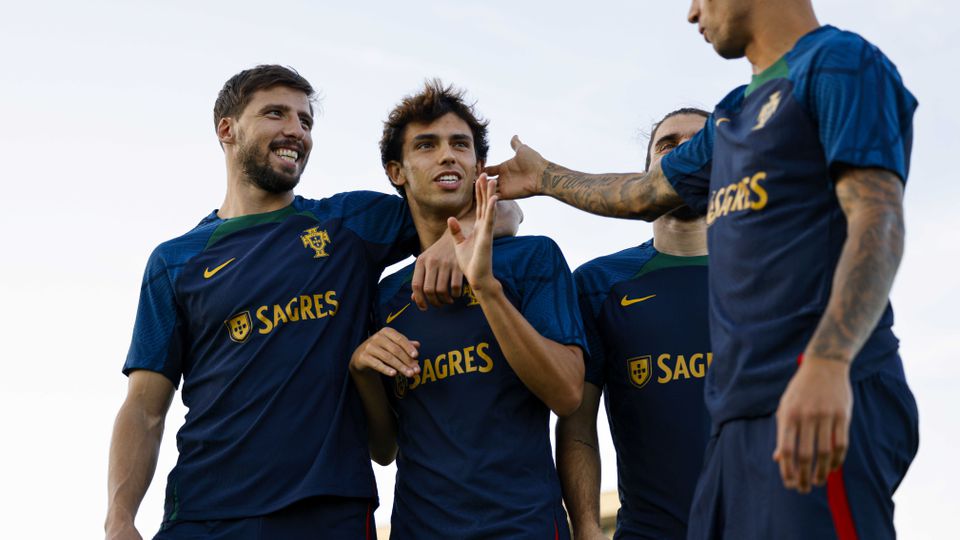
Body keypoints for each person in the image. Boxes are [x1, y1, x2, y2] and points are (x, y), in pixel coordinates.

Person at [487, 1, 919, 537]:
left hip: (816, 388)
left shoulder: (837, 63)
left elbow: (878, 221)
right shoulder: (733, 115)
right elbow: (643, 191)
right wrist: (545, 175)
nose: (693, 13)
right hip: (738, 425)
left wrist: (829, 363)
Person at [104, 65, 518, 540]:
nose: (295, 131)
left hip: (329, 509)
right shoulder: (175, 261)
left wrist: (454, 240)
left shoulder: (348, 224)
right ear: (227, 129)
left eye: (305, 121)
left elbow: (501, 204)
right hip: (205, 513)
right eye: (275, 114)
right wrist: (119, 519)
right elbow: (144, 407)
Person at [348, 80, 586, 539]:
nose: (447, 155)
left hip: (525, 526)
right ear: (396, 171)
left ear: (480, 165)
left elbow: (567, 393)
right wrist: (361, 369)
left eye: (460, 144)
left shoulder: (533, 258)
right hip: (420, 528)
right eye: (426, 145)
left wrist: (486, 289)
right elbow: (385, 448)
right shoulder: (385, 294)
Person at [556, 108, 711, 540]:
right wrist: (586, 527)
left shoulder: (774, 276)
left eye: (700, 142)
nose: (682, 153)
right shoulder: (598, 284)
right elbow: (577, 425)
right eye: (667, 144)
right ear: (644, 177)